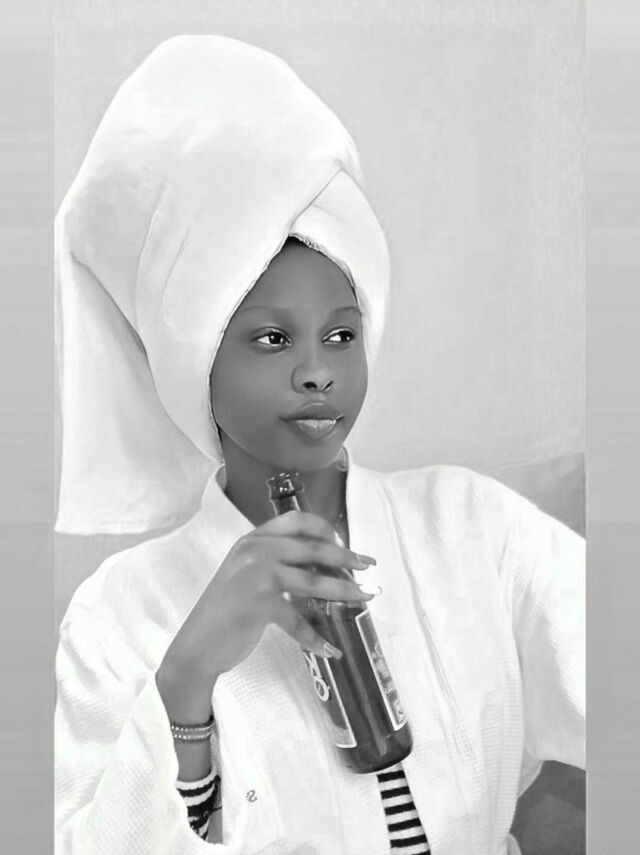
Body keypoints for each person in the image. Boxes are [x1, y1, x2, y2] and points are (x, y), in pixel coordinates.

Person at [54, 36, 585, 855]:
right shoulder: (119, 614)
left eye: (341, 334)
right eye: (271, 339)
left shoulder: (473, 530)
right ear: (195, 365)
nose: (317, 371)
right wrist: (188, 676)